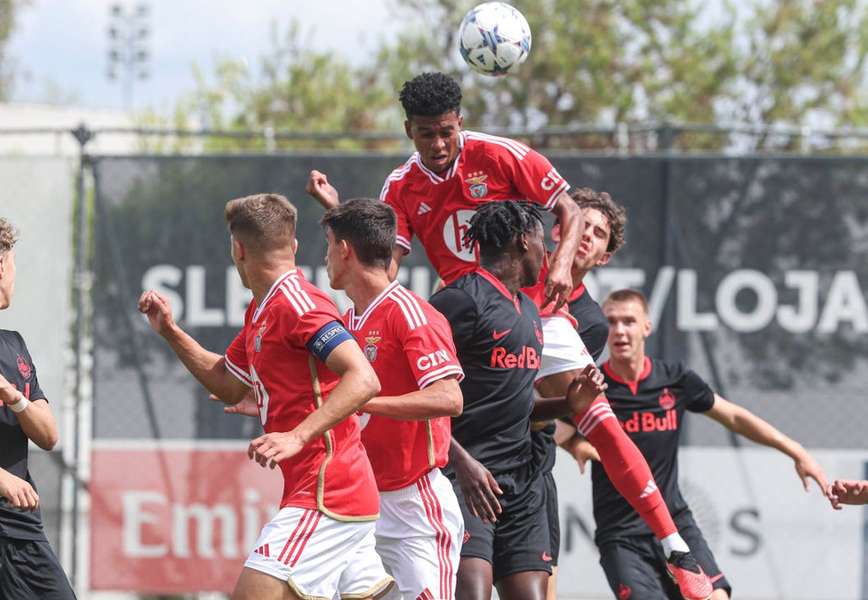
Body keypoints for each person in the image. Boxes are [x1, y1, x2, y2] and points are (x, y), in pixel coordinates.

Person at [307, 74, 716, 600]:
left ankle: (673, 542)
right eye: (425, 134)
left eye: (447, 132)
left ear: (461, 121)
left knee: (593, 411)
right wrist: (338, 215)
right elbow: (383, 265)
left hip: (534, 312)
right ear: (408, 130)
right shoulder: (402, 190)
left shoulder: (503, 157)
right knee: (452, 400)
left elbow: (569, 209)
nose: (437, 145)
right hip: (471, 325)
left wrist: (562, 269)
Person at [138, 194, 393, 600]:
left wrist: (296, 436)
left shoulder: (298, 305)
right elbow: (228, 380)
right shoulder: (264, 308)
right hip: (331, 492)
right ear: (293, 246)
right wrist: (170, 330)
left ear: (237, 249)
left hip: (327, 492)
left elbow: (363, 378)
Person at [588, 288, 831, 600]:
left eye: (629, 321)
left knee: (716, 597)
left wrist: (795, 450)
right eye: (611, 321)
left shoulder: (674, 379)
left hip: (675, 524)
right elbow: (552, 425)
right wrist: (575, 444)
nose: (620, 330)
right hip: (622, 535)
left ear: (646, 326)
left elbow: (733, 417)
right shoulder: (594, 387)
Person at [429, 200, 604, 600]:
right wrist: (462, 463)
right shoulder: (460, 300)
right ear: (525, 240)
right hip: (467, 480)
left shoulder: (528, 310)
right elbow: (419, 395)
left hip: (522, 486)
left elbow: (519, 407)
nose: (548, 253)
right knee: (470, 593)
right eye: (544, 241)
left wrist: (569, 404)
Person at [324, 197, 466, 598]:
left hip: (414, 507)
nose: (326, 259)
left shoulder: (411, 313)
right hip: (359, 503)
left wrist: (363, 401)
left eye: (328, 246)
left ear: (344, 250)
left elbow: (449, 398)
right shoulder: (347, 321)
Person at [0, 215, 74, 600]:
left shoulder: (13, 345)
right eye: (13, 265)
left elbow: (48, 435)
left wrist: (15, 397)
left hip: (16, 520)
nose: (15, 276)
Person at [530, 187, 625, 600]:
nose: (586, 235)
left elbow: (543, 405)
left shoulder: (588, 321)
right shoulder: (512, 274)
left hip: (527, 461)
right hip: (464, 448)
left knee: (541, 585)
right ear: (559, 230)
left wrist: (573, 438)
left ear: (604, 257)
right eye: (580, 225)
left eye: (598, 233)